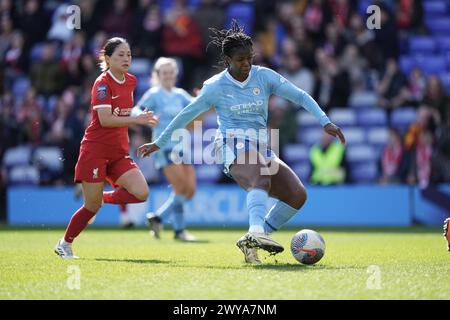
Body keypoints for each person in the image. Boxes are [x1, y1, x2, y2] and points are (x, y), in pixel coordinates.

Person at [137, 22, 346, 264]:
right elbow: (186, 114)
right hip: (229, 144)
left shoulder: (264, 76)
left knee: (297, 195)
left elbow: (299, 95)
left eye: (249, 58)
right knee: (260, 173)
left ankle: (254, 239)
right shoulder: (215, 86)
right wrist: (160, 143)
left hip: (260, 147)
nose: (246, 64)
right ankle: (256, 230)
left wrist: (324, 121)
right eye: (240, 59)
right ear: (227, 59)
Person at [54, 37, 159, 259]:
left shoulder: (130, 81)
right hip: (95, 151)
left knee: (141, 192)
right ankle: (65, 243)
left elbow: (122, 113)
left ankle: (101, 196)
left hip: (118, 152)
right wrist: (137, 120)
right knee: (91, 207)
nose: (126, 58)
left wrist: (139, 119)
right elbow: (106, 120)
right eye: (120, 54)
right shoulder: (102, 84)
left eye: (129, 54)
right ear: (108, 59)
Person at [133, 57, 198, 241]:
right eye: (164, 73)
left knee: (190, 190)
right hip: (164, 146)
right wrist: (143, 116)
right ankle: (179, 231)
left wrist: (202, 97)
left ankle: (159, 217)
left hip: (182, 145)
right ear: (158, 75)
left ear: (175, 74)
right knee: (181, 188)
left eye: (171, 72)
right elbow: (135, 109)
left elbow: (196, 105)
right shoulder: (154, 94)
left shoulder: (180, 94)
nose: (168, 76)